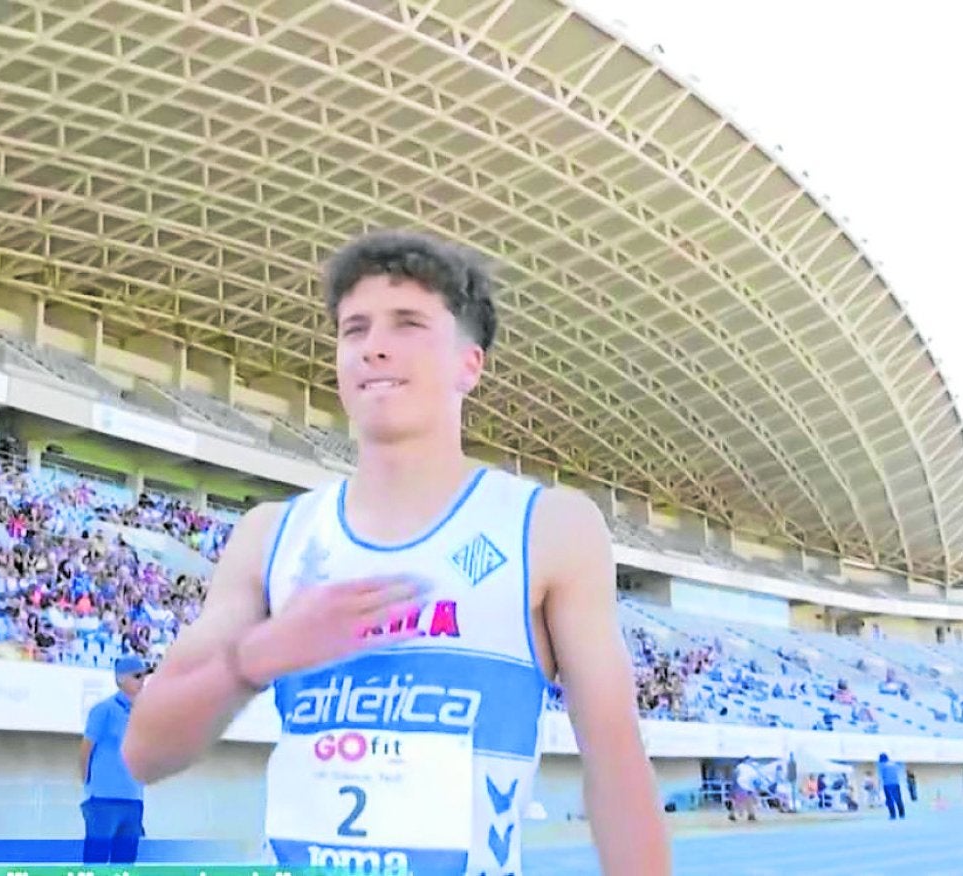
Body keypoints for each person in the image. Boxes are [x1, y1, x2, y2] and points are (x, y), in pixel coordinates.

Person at [123, 230, 671, 876]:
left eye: (408, 323)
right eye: (354, 330)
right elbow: (144, 753)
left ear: (470, 364)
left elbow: (616, 767)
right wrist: (260, 657)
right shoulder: (273, 535)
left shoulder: (547, 528)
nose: (373, 345)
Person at [81, 656, 148, 864]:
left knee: (126, 863)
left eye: (144, 675)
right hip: (103, 800)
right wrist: (90, 786)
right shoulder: (103, 710)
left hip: (134, 801)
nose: (143, 680)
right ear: (121, 679)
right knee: (96, 862)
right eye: (137, 676)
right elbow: (85, 751)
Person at [878, 753, 906, 820]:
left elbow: (881, 775)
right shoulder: (894, 764)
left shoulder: (882, 765)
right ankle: (902, 814)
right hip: (896, 783)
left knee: (890, 800)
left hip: (887, 784)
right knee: (898, 799)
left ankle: (892, 815)